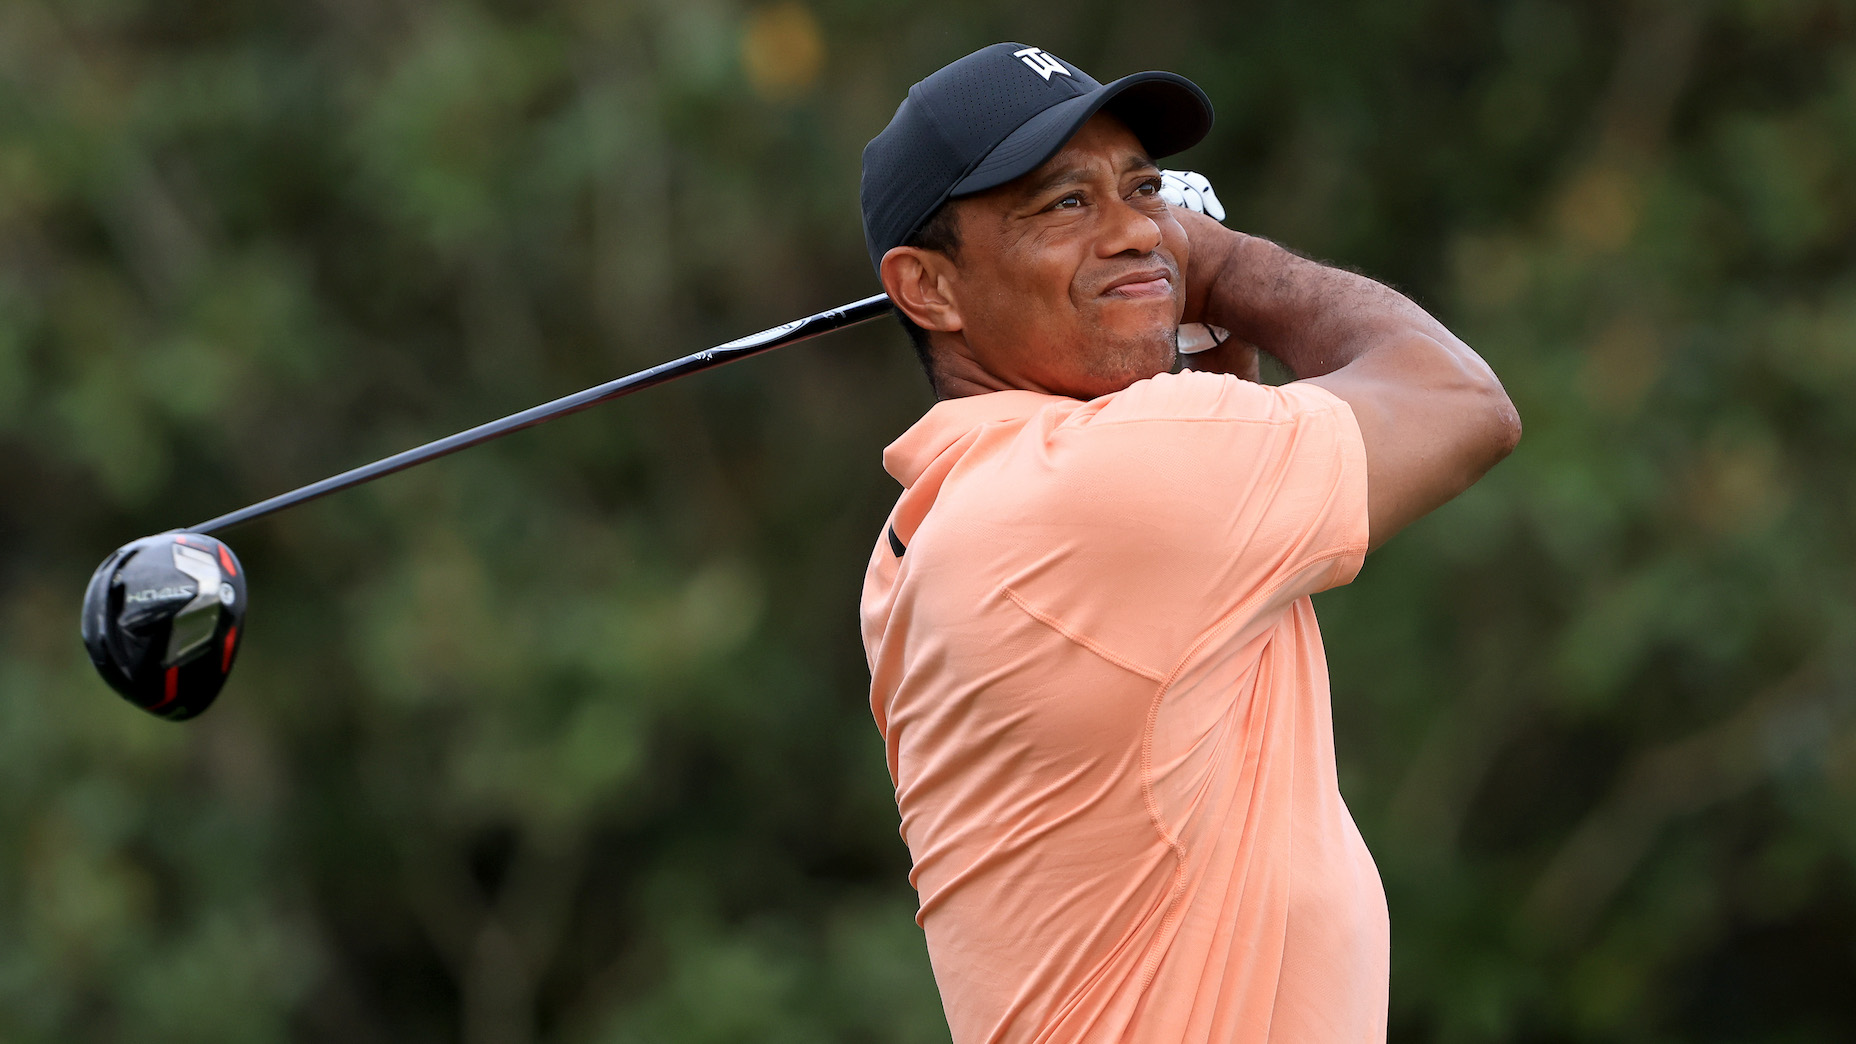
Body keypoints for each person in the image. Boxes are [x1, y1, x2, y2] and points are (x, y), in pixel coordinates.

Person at [857, 43, 1520, 1044]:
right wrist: (1215, 265)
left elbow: (1208, 579)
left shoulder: (924, 530)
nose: (1137, 231)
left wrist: (1174, 311)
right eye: (1064, 205)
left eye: (1142, 188)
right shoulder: (1094, 489)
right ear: (927, 288)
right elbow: (1458, 400)